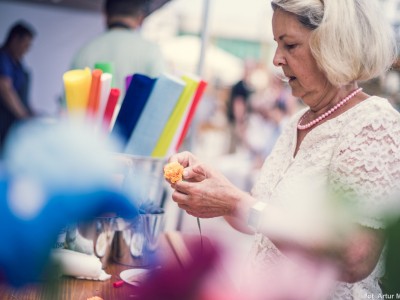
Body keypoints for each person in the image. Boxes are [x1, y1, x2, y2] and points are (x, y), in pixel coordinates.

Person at [166, 0, 400, 299]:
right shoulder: (295, 123)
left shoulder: (374, 122)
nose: (276, 59)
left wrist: (234, 202)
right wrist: (215, 186)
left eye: (290, 45)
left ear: (334, 46)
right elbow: (263, 217)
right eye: (277, 44)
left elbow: (355, 256)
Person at [70, 0, 166, 102]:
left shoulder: (86, 50)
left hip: (92, 118)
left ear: (105, 14)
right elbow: (160, 97)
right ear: (140, 18)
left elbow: (70, 104)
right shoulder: (151, 51)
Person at [0, 21, 36, 153]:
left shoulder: (19, 64)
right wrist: (23, 114)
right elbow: (5, 89)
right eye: (25, 44)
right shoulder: (3, 58)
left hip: (11, 122)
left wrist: (31, 112)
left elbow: (20, 93)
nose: (27, 49)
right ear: (15, 39)